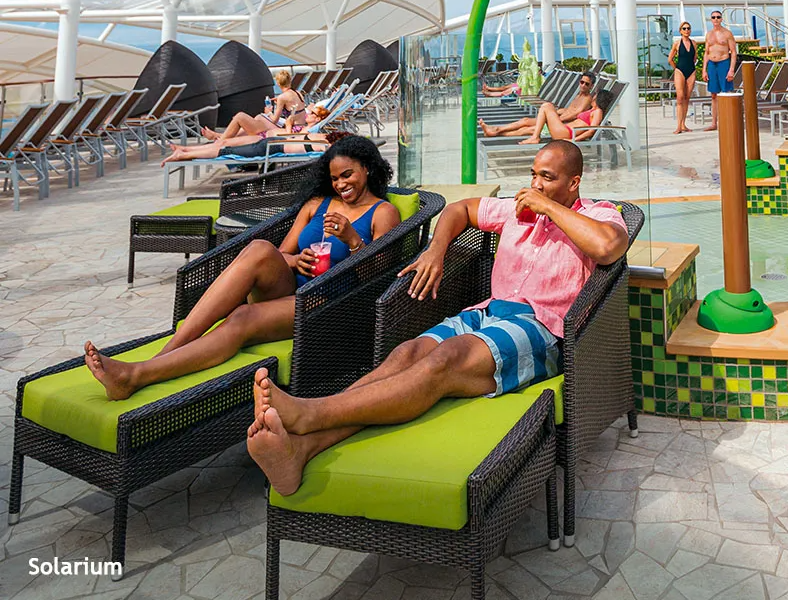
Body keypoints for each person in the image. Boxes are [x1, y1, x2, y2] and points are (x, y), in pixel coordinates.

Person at [245, 140, 629, 496]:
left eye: (547, 177)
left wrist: (548, 207)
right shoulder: (514, 210)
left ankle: (311, 412)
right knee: (407, 355)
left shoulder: (598, 213)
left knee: (445, 360)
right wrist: (436, 252)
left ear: (574, 182)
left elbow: (609, 247)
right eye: (533, 174)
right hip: (487, 312)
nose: (535, 184)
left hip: (541, 326)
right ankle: (303, 448)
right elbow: (458, 209)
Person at [84, 136, 402, 401]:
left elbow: (379, 276)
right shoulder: (316, 204)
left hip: (328, 303)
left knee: (241, 316)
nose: (340, 184)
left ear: (368, 168)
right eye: (334, 178)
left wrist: (352, 238)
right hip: (290, 287)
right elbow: (282, 254)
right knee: (259, 249)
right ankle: (171, 350)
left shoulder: (382, 212)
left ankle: (138, 375)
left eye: (348, 175)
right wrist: (295, 260)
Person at [161, 105, 333, 166]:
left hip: (265, 140)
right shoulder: (308, 127)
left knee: (225, 144)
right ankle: (186, 148)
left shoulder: (311, 131)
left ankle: (188, 150)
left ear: (318, 118)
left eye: (312, 113)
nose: (308, 113)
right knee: (226, 142)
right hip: (266, 137)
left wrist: (289, 123)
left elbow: (292, 138)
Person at [477, 72, 597, 138]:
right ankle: (496, 130)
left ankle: (496, 131)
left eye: (587, 84)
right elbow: (570, 110)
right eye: (582, 82)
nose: (583, 85)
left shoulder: (587, 99)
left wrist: (555, 118)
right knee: (525, 121)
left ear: (591, 86)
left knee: (527, 128)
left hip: (561, 123)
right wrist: (558, 112)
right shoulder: (578, 96)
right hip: (559, 119)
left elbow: (575, 114)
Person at [479, 89, 615, 144]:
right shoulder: (593, 110)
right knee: (527, 128)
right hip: (564, 129)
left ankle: (535, 137)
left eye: (596, 95)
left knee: (546, 106)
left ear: (599, 98)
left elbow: (592, 130)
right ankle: (495, 133)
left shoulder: (597, 112)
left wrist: (574, 141)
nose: (593, 96)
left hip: (567, 133)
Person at [202, 70, 306, 142]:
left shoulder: (283, 97)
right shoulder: (297, 93)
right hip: (298, 127)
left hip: (292, 129)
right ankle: (219, 136)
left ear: (278, 83)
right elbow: (296, 109)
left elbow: (274, 120)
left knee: (250, 117)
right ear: (289, 81)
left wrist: (268, 112)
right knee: (257, 119)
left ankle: (220, 139)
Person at [700, 10, 738, 131]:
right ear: (710, 19)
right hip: (712, 64)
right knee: (713, 95)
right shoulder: (709, 34)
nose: (716, 19)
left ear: (721, 19)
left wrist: (731, 70)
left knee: (726, 93)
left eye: (718, 17)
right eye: (713, 17)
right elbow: (706, 53)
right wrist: (704, 70)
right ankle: (714, 123)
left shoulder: (727, 34)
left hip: (723, 63)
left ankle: (728, 121)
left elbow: (733, 53)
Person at [668, 22, 697, 135]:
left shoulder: (694, 43)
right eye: (684, 28)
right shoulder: (677, 43)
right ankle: (678, 126)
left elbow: (694, 58)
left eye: (688, 28)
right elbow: (670, 59)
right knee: (680, 98)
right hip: (680, 71)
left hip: (691, 71)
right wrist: (677, 69)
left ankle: (684, 124)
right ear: (680, 31)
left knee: (687, 98)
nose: (686, 30)